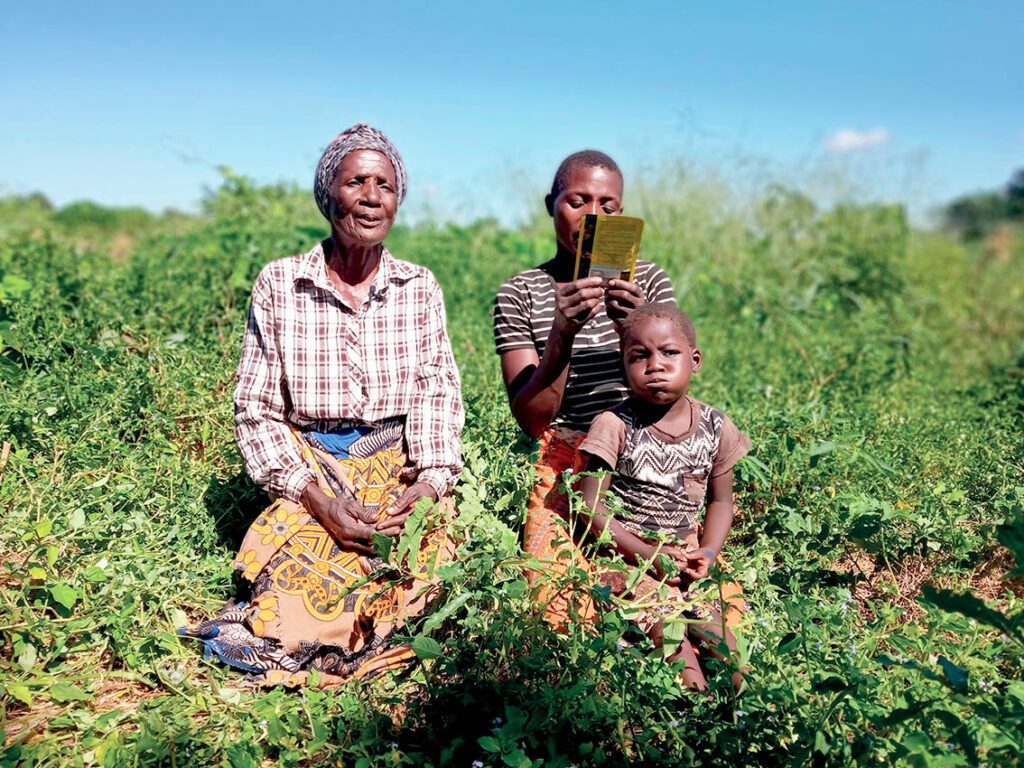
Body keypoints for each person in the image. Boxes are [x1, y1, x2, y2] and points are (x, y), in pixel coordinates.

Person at [182, 123, 464, 686]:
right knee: (297, 603)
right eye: (355, 181)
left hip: (396, 467)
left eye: (384, 184)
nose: (370, 196)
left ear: (398, 199)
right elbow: (257, 408)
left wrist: (430, 484)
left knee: (425, 572)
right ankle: (286, 629)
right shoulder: (282, 283)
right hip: (313, 467)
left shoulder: (419, 286)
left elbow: (438, 389)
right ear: (327, 194)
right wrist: (313, 497)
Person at [492, 150, 675, 623]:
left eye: (608, 208)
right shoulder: (522, 292)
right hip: (566, 457)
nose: (593, 217)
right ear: (550, 203)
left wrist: (632, 331)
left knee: (679, 598)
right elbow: (534, 421)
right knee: (561, 605)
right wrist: (561, 335)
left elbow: (668, 398)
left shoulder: (648, 281)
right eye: (578, 201)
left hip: (646, 452)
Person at [577, 303, 749, 690]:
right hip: (627, 557)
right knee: (671, 637)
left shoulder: (715, 427)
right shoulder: (614, 425)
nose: (655, 365)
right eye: (639, 356)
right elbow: (590, 506)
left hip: (687, 557)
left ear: (695, 359)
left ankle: (748, 717)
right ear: (625, 365)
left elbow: (721, 502)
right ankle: (691, 717)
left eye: (669, 353)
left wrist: (707, 554)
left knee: (721, 640)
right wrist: (644, 553)